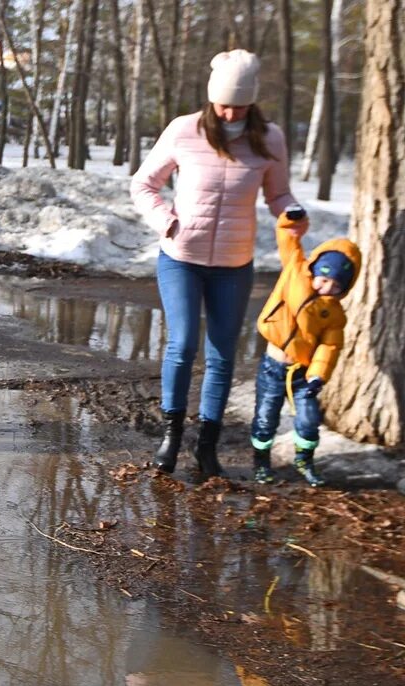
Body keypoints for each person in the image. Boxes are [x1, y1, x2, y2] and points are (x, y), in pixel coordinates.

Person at [130, 49, 304, 478]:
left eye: (239, 105)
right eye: (223, 104)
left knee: (223, 355)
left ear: (252, 102)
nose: (230, 113)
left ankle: (207, 446)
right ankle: (171, 434)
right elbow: (144, 183)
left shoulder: (270, 138)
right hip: (181, 257)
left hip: (234, 263)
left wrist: (293, 212)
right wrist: (164, 221)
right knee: (183, 343)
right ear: (211, 98)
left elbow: (278, 195)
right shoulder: (184, 130)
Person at [250, 212, 361, 487]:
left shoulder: (334, 314)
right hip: (272, 365)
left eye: (336, 286)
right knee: (266, 417)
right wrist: (290, 219)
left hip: (302, 374)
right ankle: (261, 462)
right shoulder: (294, 272)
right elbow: (287, 238)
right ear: (315, 270)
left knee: (309, 421)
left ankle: (304, 459)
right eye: (324, 280)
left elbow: (330, 345)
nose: (327, 288)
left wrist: (318, 376)